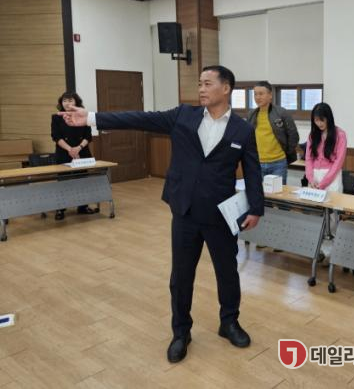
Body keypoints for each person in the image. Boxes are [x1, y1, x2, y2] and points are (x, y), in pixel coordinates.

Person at [60, 66, 264, 364]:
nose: (201, 89)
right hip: (184, 211)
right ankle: (181, 331)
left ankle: (229, 322)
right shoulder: (183, 116)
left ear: (226, 88)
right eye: (199, 83)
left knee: (227, 272)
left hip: (220, 214)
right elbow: (139, 118)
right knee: (181, 276)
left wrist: (256, 208)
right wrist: (91, 118)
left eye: (208, 83)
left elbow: (253, 171)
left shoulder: (242, 129)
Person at [51, 92, 97, 220]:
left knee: (82, 180)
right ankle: (60, 209)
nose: (67, 103)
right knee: (63, 181)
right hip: (64, 153)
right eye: (64, 101)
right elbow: (56, 137)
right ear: (61, 103)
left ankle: (83, 207)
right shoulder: (56, 117)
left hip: (82, 152)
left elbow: (88, 136)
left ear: (76, 102)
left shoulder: (83, 115)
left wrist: (78, 148)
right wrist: (70, 149)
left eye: (70, 100)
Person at [247, 81, 299, 184]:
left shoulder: (281, 113)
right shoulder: (251, 114)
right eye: (255, 94)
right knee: (259, 192)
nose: (257, 97)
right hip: (257, 163)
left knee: (278, 192)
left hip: (278, 163)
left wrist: (286, 153)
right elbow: (248, 137)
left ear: (270, 95)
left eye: (261, 94)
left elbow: (293, 135)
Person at [304, 103, 347, 192]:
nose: (319, 123)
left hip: (332, 178)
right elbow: (308, 158)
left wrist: (323, 183)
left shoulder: (340, 135)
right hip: (314, 177)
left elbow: (338, 162)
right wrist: (311, 178)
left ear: (328, 118)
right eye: (316, 120)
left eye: (322, 120)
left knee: (332, 200)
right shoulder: (312, 135)